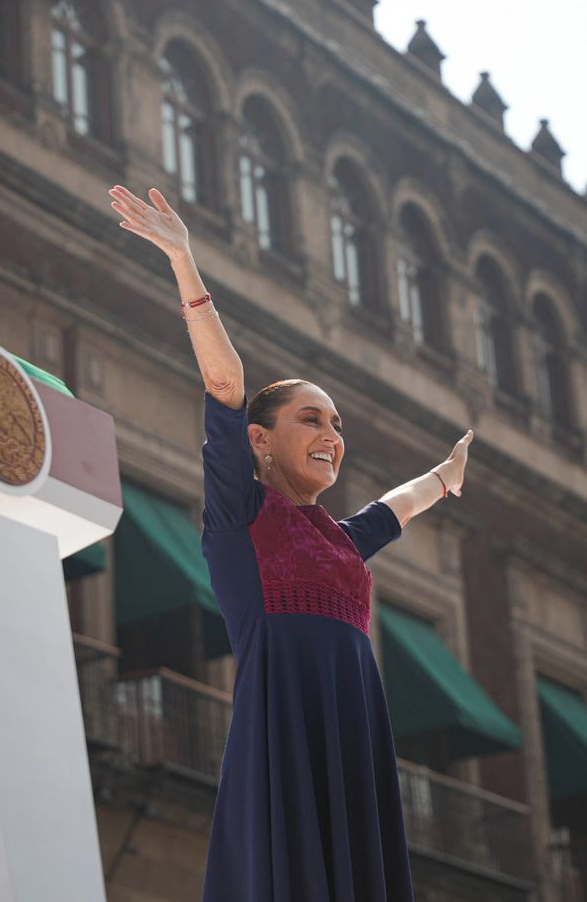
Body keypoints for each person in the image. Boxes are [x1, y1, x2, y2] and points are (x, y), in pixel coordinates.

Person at [109, 184, 474, 902]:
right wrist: (185, 260)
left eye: (336, 424)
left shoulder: (341, 540)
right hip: (284, 743)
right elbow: (223, 380)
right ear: (260, 440)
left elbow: (394, 507)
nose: (330, 435)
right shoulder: (242, 517)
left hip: (353, 743)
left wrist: (446, 472)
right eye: (311, 419)